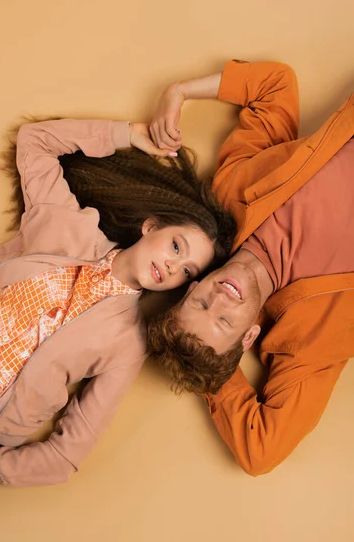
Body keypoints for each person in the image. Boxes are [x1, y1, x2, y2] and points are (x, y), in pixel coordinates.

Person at [0, 117, 236, 487]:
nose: (172, 266)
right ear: (151, 227)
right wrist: (127, 135)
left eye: (185, 271)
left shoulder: (128, 343)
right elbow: (35, 140)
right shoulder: (68, 224)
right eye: (176, 246)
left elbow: (66, 454)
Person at [147, 59, 354, 476]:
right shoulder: (307, 340)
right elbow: (261, 451)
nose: (220, 298)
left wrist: (179, 90)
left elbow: (275, 87)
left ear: (192, 287)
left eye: (202, 303)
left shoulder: (232, 195)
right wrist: (208, 376)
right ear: (249, 337)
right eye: (224, 322)